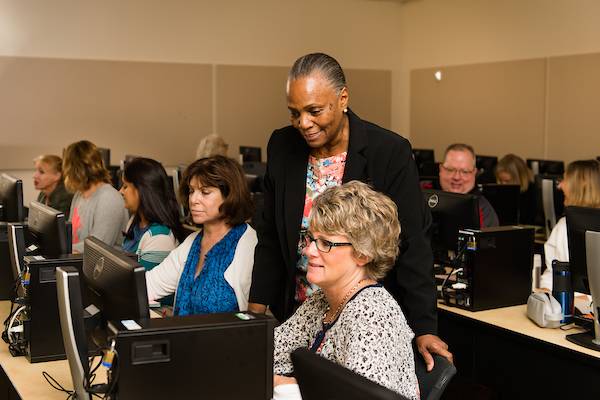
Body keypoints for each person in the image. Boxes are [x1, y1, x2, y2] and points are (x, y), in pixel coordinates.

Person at [248, 52, 451, 370]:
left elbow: (414, 244)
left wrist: (425, 327)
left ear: (343, 98)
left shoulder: (389, 152)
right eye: (294, 113)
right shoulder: (283, 146)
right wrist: (254, 312)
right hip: (300, 310)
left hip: (362, 317)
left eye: (315, 111)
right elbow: (271, 234)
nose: (304, 123)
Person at [273, 181, 419, 400]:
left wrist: (285, 383)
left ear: (363, 253)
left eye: (326, 243)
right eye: (311, 238)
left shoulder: (372, 316)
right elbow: (269, 356)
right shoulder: (322, 300)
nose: (308, 250)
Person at [145, 156, 257, 315]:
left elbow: (255, 320)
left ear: (230, 195)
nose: (193, 199)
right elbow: (149, 285)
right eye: (191, 191)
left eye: (205, 192)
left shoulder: (249, 244)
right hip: (181, 337)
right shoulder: (193, 241)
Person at [541, 160, 600, 290]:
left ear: (582, 185)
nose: (560, 185)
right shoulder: (563, 225)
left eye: (565, 179)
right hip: (571, 304)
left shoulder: (565, 226)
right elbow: (551, 274)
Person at [63, 140, 129, 253]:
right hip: (78, 261)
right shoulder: (79, 194)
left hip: (102, 267)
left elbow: (98, 247)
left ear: (75, 170)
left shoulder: (109, 199)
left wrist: (61, 250)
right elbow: (70, 234)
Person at [120, 157, 184, 270]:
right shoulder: (136, 220)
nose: (120, 191)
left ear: (142, 190)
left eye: (125, 186)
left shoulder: (160, 238)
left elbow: (140, 285)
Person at [439, 143, 499, 228]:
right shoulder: (423, 197)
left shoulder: (483, 210)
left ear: (474, 173)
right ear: (440, 169)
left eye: (464, 171)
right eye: (450, 170)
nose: (456, 177)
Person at [495, 153, 536, 225]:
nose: (503, 185)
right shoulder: (498, 193)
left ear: (519, 178)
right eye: (501, 181)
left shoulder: (532, 193)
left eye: (507, 181)